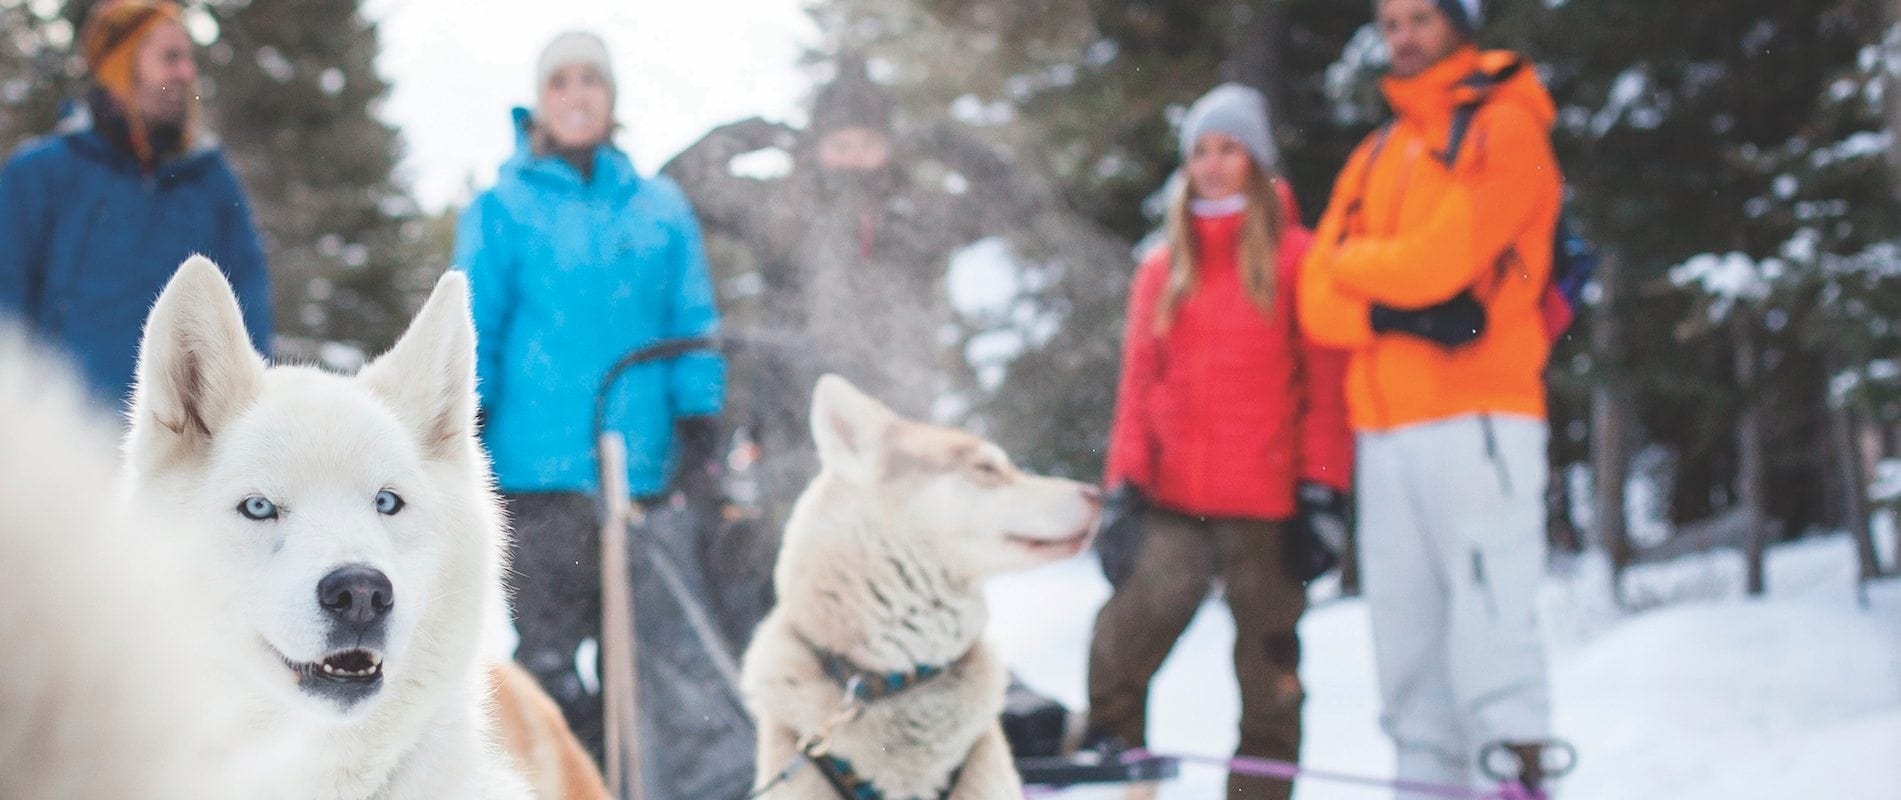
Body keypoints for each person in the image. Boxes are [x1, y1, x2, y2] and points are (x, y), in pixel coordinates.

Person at [1296, 0, 1563, 796]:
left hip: (1479, 413)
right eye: (1391, 23)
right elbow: (1314, 292)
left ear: (1459, 23)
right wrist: (1392, 306)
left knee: (1490, 617)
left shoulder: (1503, 127)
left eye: (1421, 18)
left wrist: (1362, 271)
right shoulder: (1377, 151)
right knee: (1404, 636)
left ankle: (1511, 774)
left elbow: (1446, 259)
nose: (1404, 36)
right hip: (1384, 426)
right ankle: (1425, 783)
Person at [452, 30, 728, 783]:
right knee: (548, 660)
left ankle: (632, 783)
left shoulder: (660, 207)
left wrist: (699, 421)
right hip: (536, 473)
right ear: (541, 101)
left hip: (640, 474)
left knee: (637, 663)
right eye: (561, 82)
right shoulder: (501, 209)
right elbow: (473, 325)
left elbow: (690, 320)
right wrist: (464, 423)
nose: (576, 95)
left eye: (591, 82)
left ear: (611, 98)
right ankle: (545, 785)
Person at [1087, 83, 1353, 800]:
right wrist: (1122, 490)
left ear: (1256, 161)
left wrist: (1322, 491)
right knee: (1119, 646)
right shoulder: (1161, 268)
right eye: (1200, 151)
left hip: (1267, 505)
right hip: (1172, 498)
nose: (1211, 164)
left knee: (1269, 678)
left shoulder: (1298, 259)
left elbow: (1323, 390)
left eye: (1227, 149)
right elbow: (1136, 392)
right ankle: (1122, 779)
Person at [0, 0, 271, 409]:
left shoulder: (211, 182)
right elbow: (9, 326)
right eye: (170, 57)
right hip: (67, 443)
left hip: (180, 453)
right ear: (120, 68)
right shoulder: (39, 176)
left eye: (188, 59)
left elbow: (250, 324)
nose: (186, 72)